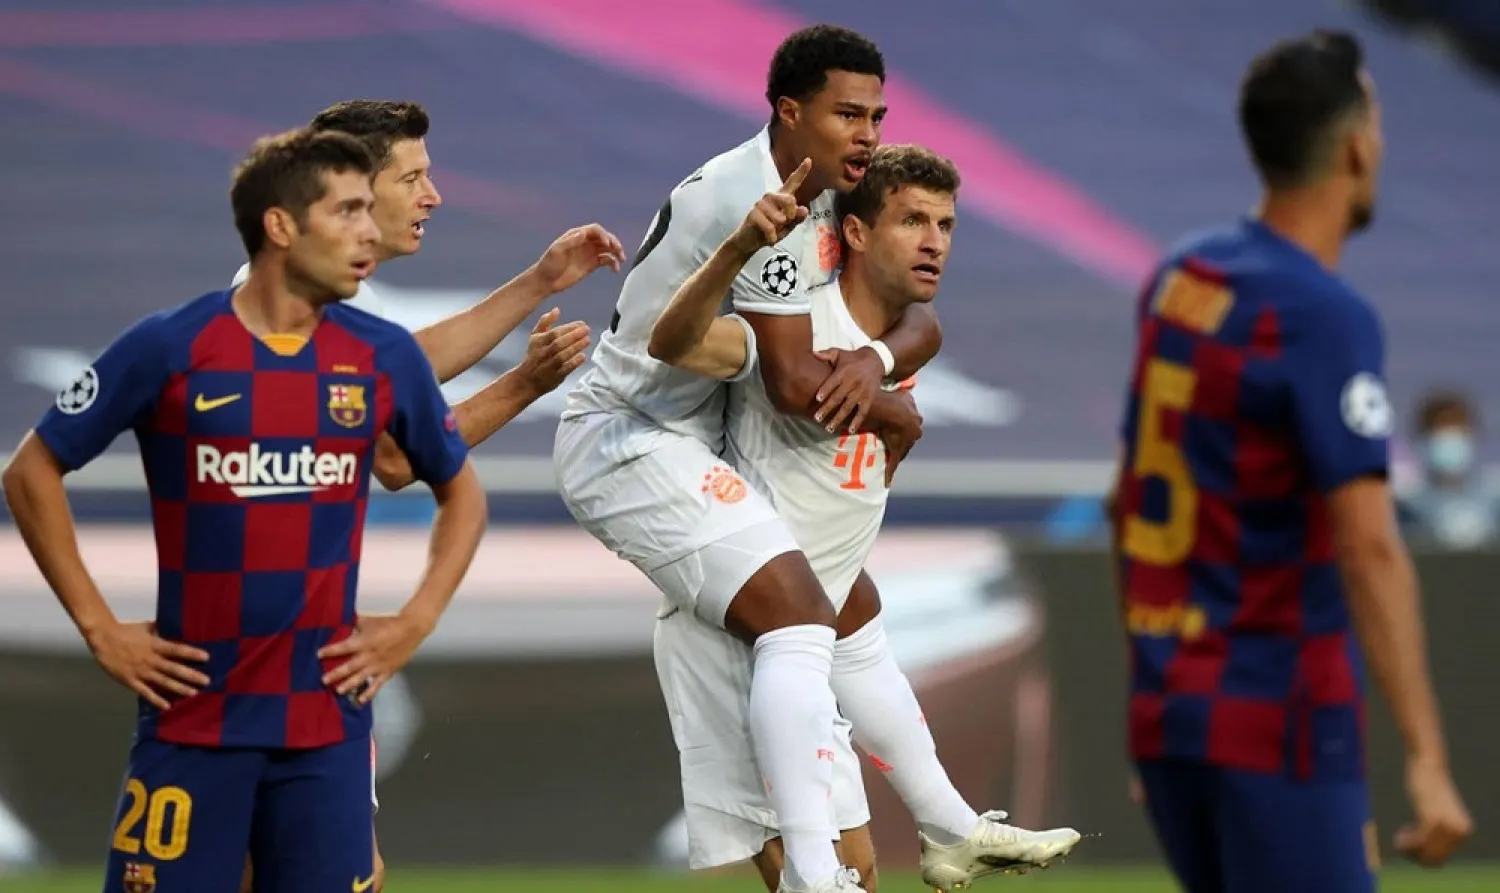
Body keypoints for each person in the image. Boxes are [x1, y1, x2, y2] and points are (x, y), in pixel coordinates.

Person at [1, 127, 489, 893]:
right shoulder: (170, 346)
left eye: (371, 210)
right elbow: (32, 469)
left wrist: (414, 621)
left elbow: (460, 489)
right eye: (349, 211)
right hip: (192, 723)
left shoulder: (382, 356)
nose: (371, 232)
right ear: (281, 226)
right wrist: (98, 626)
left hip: (326, 728)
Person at [554, 25, 943, 893]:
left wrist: (879, 368)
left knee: (835, 611)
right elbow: (796, 382)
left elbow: (909, 310)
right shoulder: (754, 200)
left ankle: (900, 837)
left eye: (878, 115)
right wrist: (889, 408)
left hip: (707, 450)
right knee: (806, 613)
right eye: (848, 113)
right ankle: (834, 860)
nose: (868, 134)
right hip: (631, 437)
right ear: (789, 112)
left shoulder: (813, 200)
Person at [649, 143, 1082, 892]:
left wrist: (877, 369)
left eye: (945, 224)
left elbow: (922, 332)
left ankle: (949, 827)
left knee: (860, 631)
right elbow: (741, 360)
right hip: (752, 619)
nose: (933, 240)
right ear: (852, 233)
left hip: (824, 581)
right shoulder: (788, 317)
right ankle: (838, 865)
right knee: (814, 866)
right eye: (912, 220)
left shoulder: (905, 332)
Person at [1107, 30, 1471, 893]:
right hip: (1278, 718)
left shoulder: (1181, 276)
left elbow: (1130, 498)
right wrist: (1425, 755)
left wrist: (1159, 702)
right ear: (1356, 145)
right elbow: (1369, 544)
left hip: (1173, 718)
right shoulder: (1321, 314)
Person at [231, 99, 624, 893]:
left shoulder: (322, 298)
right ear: (350, 188)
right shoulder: (288, 300)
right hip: (264, 634)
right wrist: (524, 383)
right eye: (413, 177)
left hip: (292, 622)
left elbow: (402, 365)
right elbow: (396, 456)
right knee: (333, 870)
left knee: (294, 866)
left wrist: (540, 283)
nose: (432, 195)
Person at [1401, 390, 1500, 549]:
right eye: (1439, 432)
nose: (1448, 440)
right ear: (1422, 439)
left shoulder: (1494, 499)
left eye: (1457, 431)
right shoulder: (1406, 505)